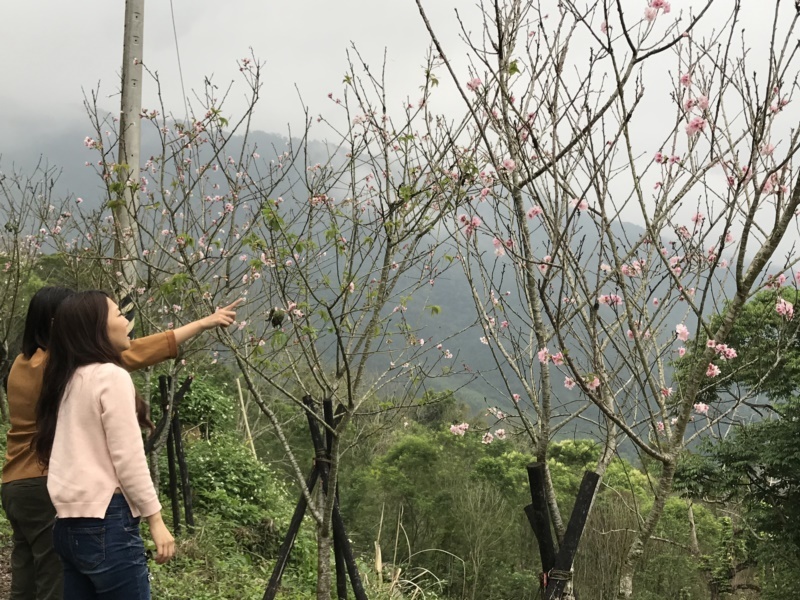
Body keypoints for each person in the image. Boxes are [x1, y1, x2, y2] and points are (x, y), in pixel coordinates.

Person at [1, 286, 240, 600]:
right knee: (51, 584)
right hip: (54, 487)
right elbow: (135, 352)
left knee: (25, 578)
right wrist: (202, 323)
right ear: (66, 324)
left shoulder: (22, 364)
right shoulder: (69, 370)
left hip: (14, 482)